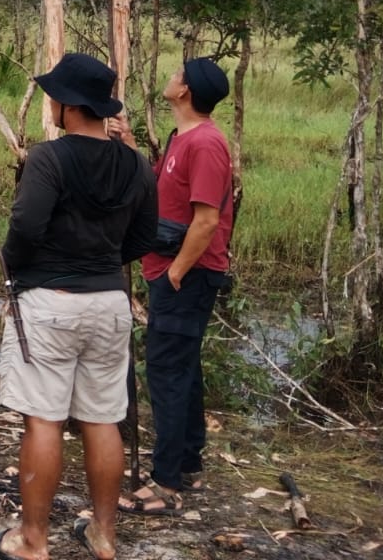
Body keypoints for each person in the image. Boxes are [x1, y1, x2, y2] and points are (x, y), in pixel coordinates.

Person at [0, 53, 156, 560]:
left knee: (44, 420)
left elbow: (26, 226)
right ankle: (104, 533)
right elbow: (145, 236)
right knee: (102, 418)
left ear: (69, 106)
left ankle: (33, 539)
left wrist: (18, 267)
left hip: (51, 302)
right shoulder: (136, 164)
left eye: (54, 96)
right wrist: (103, 262)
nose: (51, 103)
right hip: (109, 304)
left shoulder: (49, 158)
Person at [119, 57, 233, 516]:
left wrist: (177, 272)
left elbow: (206, 220)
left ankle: (165, 482)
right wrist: (130, 146)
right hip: (171, 269)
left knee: (166, 371)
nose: (171, 77)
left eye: (178, 75)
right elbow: (160, 189)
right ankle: (187, 462)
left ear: (185, 91)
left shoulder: (205, 144)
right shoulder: (183, 137)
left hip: (187, 274)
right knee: (182, 366)